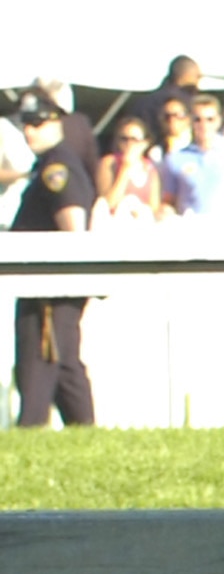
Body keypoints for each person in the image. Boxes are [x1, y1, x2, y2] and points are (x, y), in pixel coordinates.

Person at [12, 94, 96, 426]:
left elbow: (72, 223)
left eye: (38, 123)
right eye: (26, 124)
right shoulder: (50, 164)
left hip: (49, 286)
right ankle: (85, 432)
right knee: (63, 364)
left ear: (56, 121)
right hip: (47, 283)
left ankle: (30, 428)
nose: (30, 131)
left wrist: (66, 276)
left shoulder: (57, 167)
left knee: (39, 360)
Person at [93, 115, 168, 226]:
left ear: (145, 143)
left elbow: (153, 208)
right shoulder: (109, 163)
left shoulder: (150, 169)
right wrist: (125, 169)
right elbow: (107, 204)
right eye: (124, 139)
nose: (129, 144)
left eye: (134, 140)